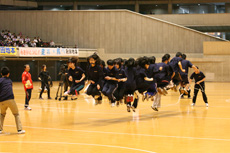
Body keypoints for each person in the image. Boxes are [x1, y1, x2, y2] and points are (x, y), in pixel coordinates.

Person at [0, 67, 25, 134]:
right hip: (10, 99)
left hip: (2, 100)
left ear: (1, 73)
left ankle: (0, 129)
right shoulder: (10, 81)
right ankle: (19, 130)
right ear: (8, 74)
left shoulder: (0, 80)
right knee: (16, 114)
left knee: (2, 114)